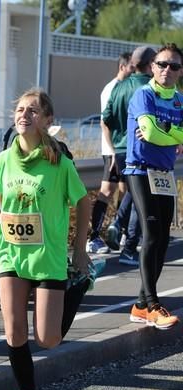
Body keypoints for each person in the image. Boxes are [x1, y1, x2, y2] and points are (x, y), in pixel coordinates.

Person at [0, 88, 91, 390]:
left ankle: (79, 284)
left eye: (32, 110)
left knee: (47, 339)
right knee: (14, 331)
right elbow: (3, 202)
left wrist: (78, 250)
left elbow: (83, 201)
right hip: (12, 256)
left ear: (47, 120)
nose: (24, 115)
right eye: (20, 109)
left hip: (47, 257)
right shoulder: (2, 161)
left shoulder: (58, 163)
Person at [125, 43, 183, 329]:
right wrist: (175, 136)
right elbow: (147, 132)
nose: (166, 70)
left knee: (162, 239)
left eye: (173, 66)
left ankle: (139, 305)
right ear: (152, 67)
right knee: (150, 234)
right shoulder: (143, 95)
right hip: (139, 170)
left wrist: (167, 131)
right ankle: (152, 303)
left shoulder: (179, 101)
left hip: (164, 174)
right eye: (162, 64)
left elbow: (159, 133)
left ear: (180, 72)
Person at [102, 46, 157, 265]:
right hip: (142, 149)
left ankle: (118, 224)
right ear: (151, 63)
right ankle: (129, 247)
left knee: (134, 194)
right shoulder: (150, 88)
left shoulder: (120, 86)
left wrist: (113, 150)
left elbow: (105, 119)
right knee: (139, 198)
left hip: (120, 150)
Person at [87, 52, 134, 254]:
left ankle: (120, 231)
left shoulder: (129, 88)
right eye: (132, 67)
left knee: (127, 190)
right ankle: (93, 237)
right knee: (107, 191)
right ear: (123, 67)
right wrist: (113, 152)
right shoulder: (112, 88)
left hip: (125, 150)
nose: (135, 71)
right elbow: (104, 122)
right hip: (112, 150)